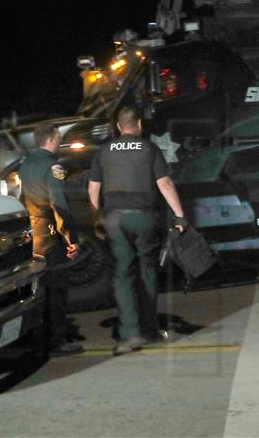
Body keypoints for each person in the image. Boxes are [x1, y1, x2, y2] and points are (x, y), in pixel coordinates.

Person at [87, 107, 187, 356]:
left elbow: (92, 190)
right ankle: (150, 330)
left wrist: (97, 218)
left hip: (115, 219)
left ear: (119, 127)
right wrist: (180, 216)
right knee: (147, 271)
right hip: (144, 218)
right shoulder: (149, 149)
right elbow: (164, 183)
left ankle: (129, 334)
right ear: (138, 124)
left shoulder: (104, 151)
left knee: (122, 275)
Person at [18, 122, 84, 357]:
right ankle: (56, 341)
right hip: (50, 234)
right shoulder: (52, 166)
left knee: (39, 289)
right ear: (52, 138)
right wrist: (71, 240)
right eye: (57, 138)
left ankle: (37, 335)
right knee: (56, 289)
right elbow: (60, 205)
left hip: (34, 234)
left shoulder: (24, 165)